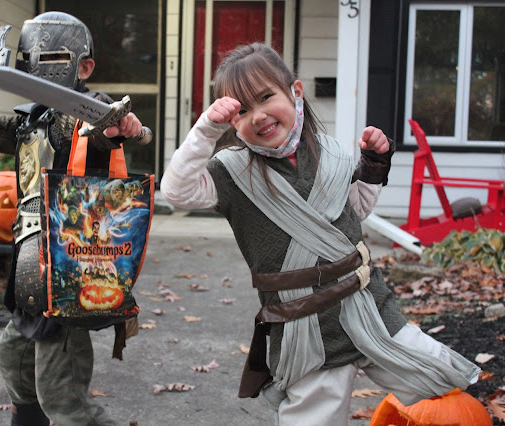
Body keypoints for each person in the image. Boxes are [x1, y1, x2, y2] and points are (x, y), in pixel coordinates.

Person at [160, 43, 480, 425]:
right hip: (304, 328)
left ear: (295, 92)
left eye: (266, 97)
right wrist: (206, 128)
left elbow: (354, 213)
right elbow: (176, 190)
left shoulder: (331, 152)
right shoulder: (232, 172)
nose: (258, 115)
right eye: (242, 110)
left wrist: (374, 166)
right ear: (232, 123)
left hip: (369, 305)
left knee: (442, 381)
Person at [0, 11, 142, 426]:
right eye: (29, 58)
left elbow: (104, 125)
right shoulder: (30, 119)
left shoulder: (84, 114)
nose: (38, 64)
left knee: (62, 394)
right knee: (14, 359)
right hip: (29, 264)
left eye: (53, 57)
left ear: (84, 67)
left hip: (68, 264)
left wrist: (116, 124)